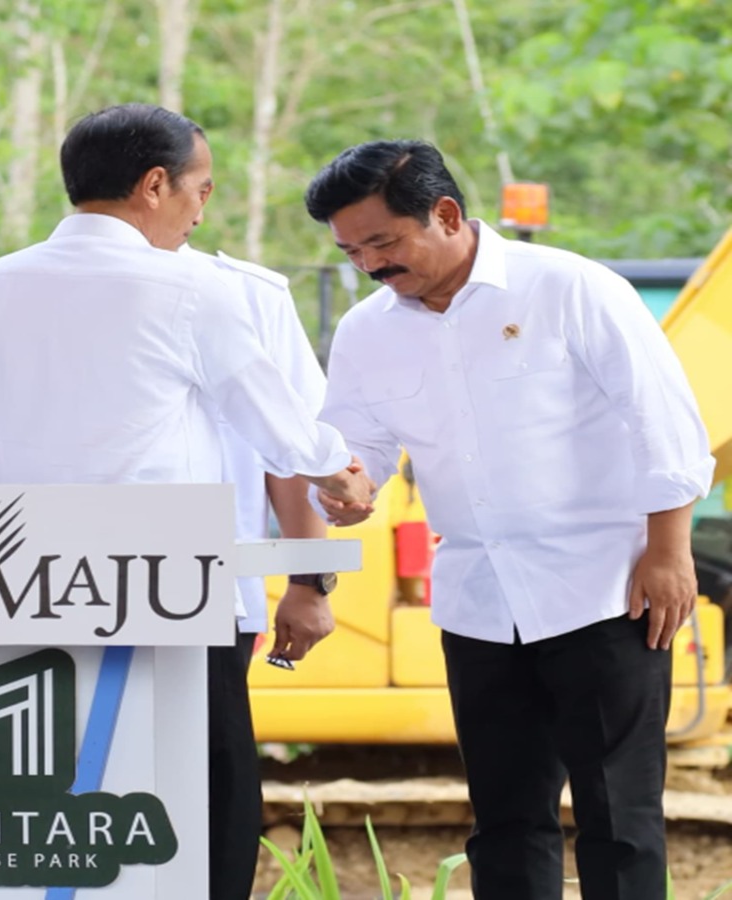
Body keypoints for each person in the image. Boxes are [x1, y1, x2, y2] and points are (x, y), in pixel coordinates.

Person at [0, 103, 375, 898]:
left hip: (25, 595)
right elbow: (282, 429)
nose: (203, 207)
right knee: (200, 812)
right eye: (200, 187)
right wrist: (341, 475)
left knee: (62, 811)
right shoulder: (192, 290)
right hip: (168, 592)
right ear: (154, 185)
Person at [304, 139, 713, 900]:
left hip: (607, 592)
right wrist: (348, 488)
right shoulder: (367, 331)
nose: (369, 265)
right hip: (479, 604)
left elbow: (662, 421)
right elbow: (360, 447)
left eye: (383, 243)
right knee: (504, 822)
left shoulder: (570, 288)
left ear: (445, 213)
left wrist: (668, 552)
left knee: (619, 819)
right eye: (351, 251)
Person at [183, 245, 335, 900]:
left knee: (212, 781)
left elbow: (295, 449)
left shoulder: (245, 295)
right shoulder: (11, 290)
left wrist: (309, 580)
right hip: (46, 593)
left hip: (201, 595)